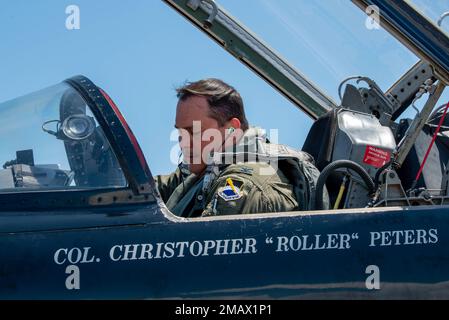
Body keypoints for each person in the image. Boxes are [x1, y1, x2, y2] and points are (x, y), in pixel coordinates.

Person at [155, 78, 325, 218]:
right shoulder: (203, 171)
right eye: (180, 132)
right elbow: (145, 189)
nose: (184, 143)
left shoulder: (242, 185)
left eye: (194, 131)